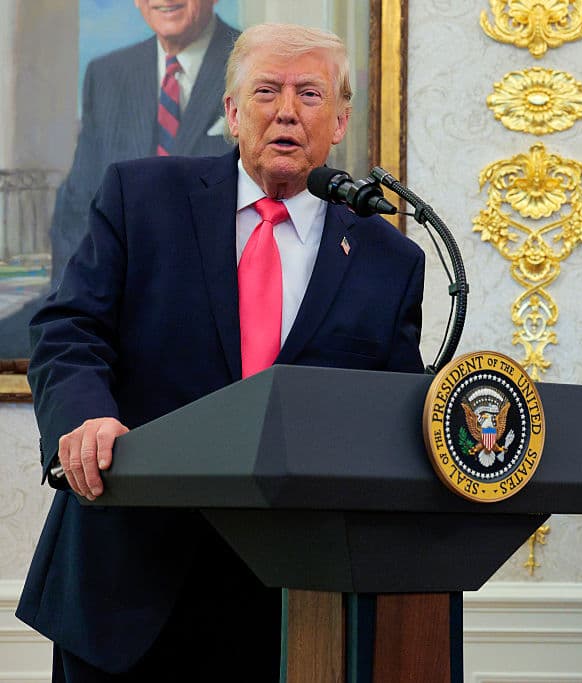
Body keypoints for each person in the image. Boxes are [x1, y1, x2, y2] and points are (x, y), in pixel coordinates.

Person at [17, 22, 425, 682]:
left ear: (342, 119)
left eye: (310, 94)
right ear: (232, 113)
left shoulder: (388, 259)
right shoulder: (141, 196)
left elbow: (387, 412)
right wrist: (83, 417)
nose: (286, 110)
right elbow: (68, 330)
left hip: (294, 603)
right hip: (128, 586)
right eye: (266, 90)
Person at [0, 0, 238, 356]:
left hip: (215, 318)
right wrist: (77, 307)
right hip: (109, 306)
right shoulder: (107, 73)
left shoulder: (255, 64)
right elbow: (77, 205)